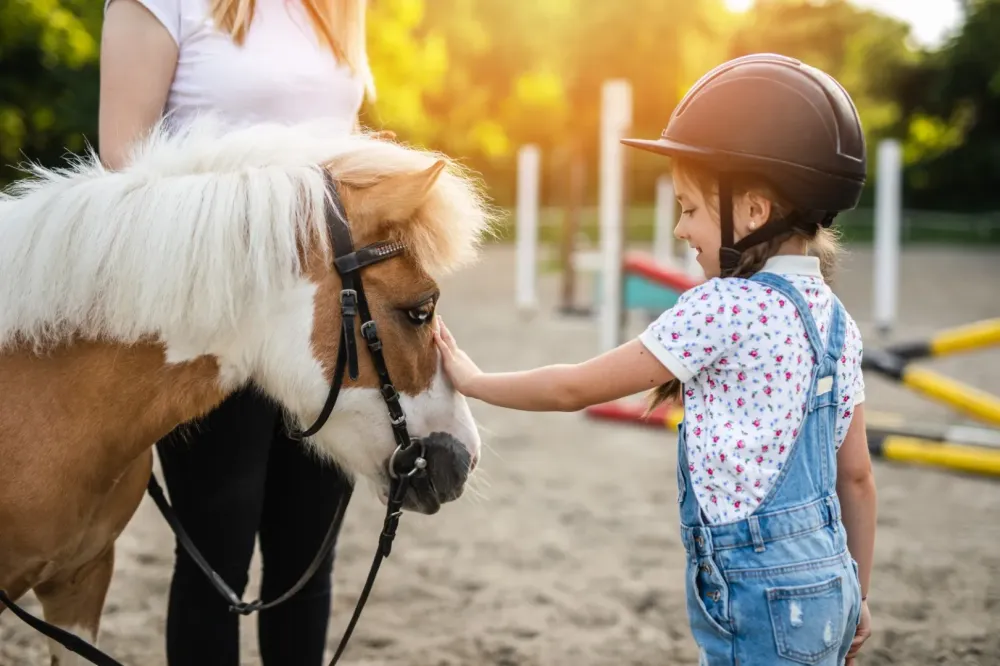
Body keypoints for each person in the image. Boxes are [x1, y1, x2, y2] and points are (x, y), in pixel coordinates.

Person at [434, 54, 877, 666]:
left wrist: (476, 381)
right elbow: (856, 476)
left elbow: (572, 388)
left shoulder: (725, 306)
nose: (679, 229)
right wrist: (859, 594)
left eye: (689, 208)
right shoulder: (838, 322)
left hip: (760, 594)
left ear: (754, 211)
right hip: (832, 583)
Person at [98, 1, 376, 664]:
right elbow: (123, 166)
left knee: (307, 565)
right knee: (214, 565)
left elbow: (341, 139)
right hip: (214, 318)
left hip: (326, 321)